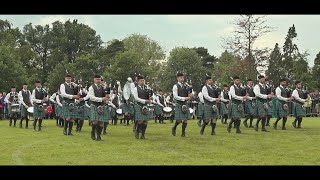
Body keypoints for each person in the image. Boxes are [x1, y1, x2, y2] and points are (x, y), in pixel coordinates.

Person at [88, 74, 111, 141]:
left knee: (101, 122)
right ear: (94, 80)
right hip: (94, 105)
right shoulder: (91, 87)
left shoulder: (103, 87)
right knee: (95, 122)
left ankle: (98, 137)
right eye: (97, 79)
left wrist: (108, 98)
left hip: (101, 106)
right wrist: (101, 99)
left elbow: (106, 96)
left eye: (99, 79)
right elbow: (91, 97)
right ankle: (92, 132)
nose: (98, 81)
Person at [171, 72, 193, 137]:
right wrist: (185, 98)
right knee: (179, 120)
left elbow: (190, 93)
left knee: (185, 119)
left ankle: (183, 133)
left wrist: (191, 95)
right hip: (179, 104)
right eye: (180, 77)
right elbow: (175, 96)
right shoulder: (175, 86)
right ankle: (174, 127)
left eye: (183, 77)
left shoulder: (187, 86)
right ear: (177, 78)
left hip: (185, 104)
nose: (182, 79)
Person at [132, 75, 153, 139]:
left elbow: (148, 97)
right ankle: (137, 131)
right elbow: (136, 98)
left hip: (145, 106)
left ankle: (143, 135)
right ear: (138, 82)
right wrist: (145, 101)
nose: (142, 82)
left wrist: (150, 98)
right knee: (140, 121)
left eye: (143, 80)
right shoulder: (135, 89)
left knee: (145, 121)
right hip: (138, 105)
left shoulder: (146, 88)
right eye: (141, 81)